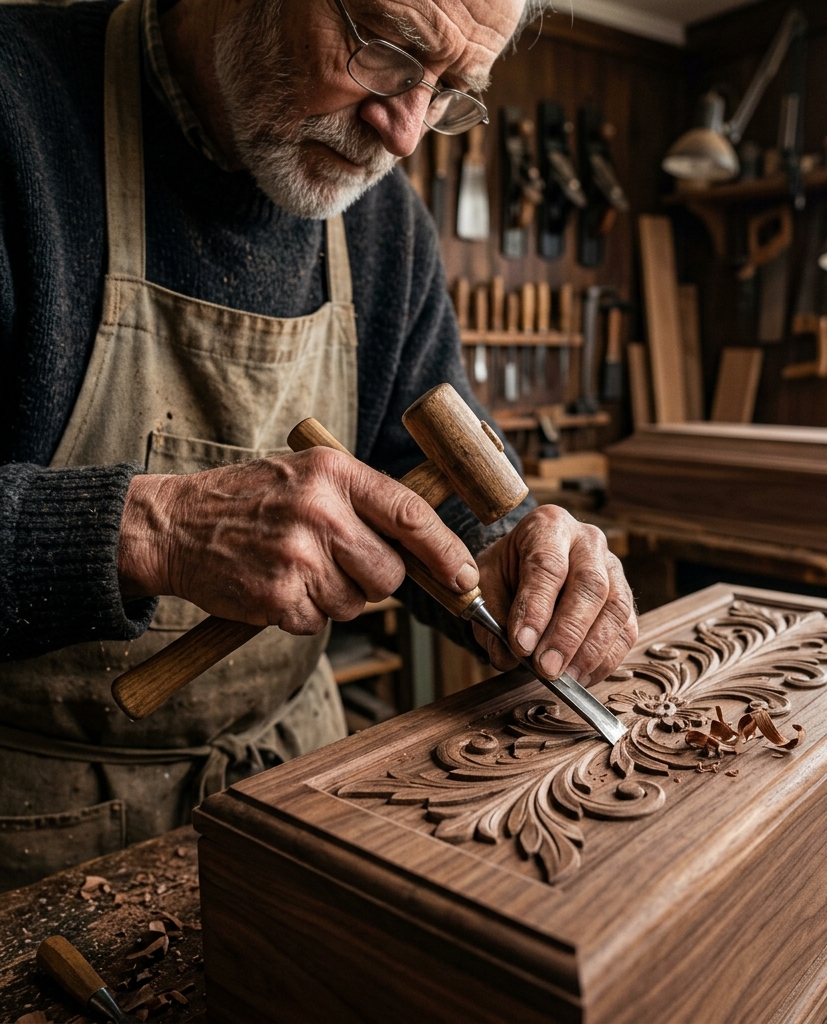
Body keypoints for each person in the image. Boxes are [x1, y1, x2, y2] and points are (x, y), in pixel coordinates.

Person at [0, 0, 639, 889]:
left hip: (291, 787)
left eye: (451, 90)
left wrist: (508, 562)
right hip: (33, 826)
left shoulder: (385, 225)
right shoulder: (15, 108)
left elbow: (446, 495)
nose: (408, 132)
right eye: (386, 51)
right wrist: (153, 532)